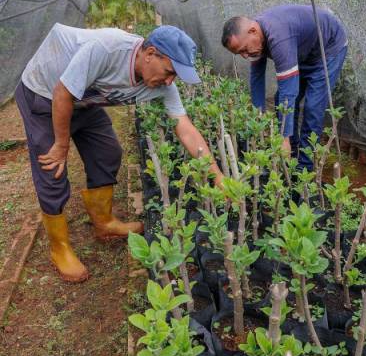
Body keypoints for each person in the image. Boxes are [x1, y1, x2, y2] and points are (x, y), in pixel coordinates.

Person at [16, 23, 223, 283]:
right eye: (169, 72)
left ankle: (104, 223)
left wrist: (218, 176)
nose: (170, 82)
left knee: (107, 152)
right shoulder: (106, 48)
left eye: (176, 77)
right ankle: (60, 249)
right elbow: (62, 93)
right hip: (45, 95)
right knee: (52, 168)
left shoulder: (162, 85)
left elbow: (185, 129)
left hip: (86, 99)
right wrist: (61, 145)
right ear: (149, 53)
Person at [221, 4, 347, 171]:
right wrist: (258, 116)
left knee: (313, 107)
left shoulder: (278, 36)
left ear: (252, 31)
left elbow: (289, 91)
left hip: (329, 48)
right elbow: (257, 79)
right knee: (281, 100)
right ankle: (292, 155)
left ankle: (305, 169)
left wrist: (283, 137)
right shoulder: (256, 40)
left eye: (244, 49)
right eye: (240, 54)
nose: (245, 55)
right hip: (305, 52)